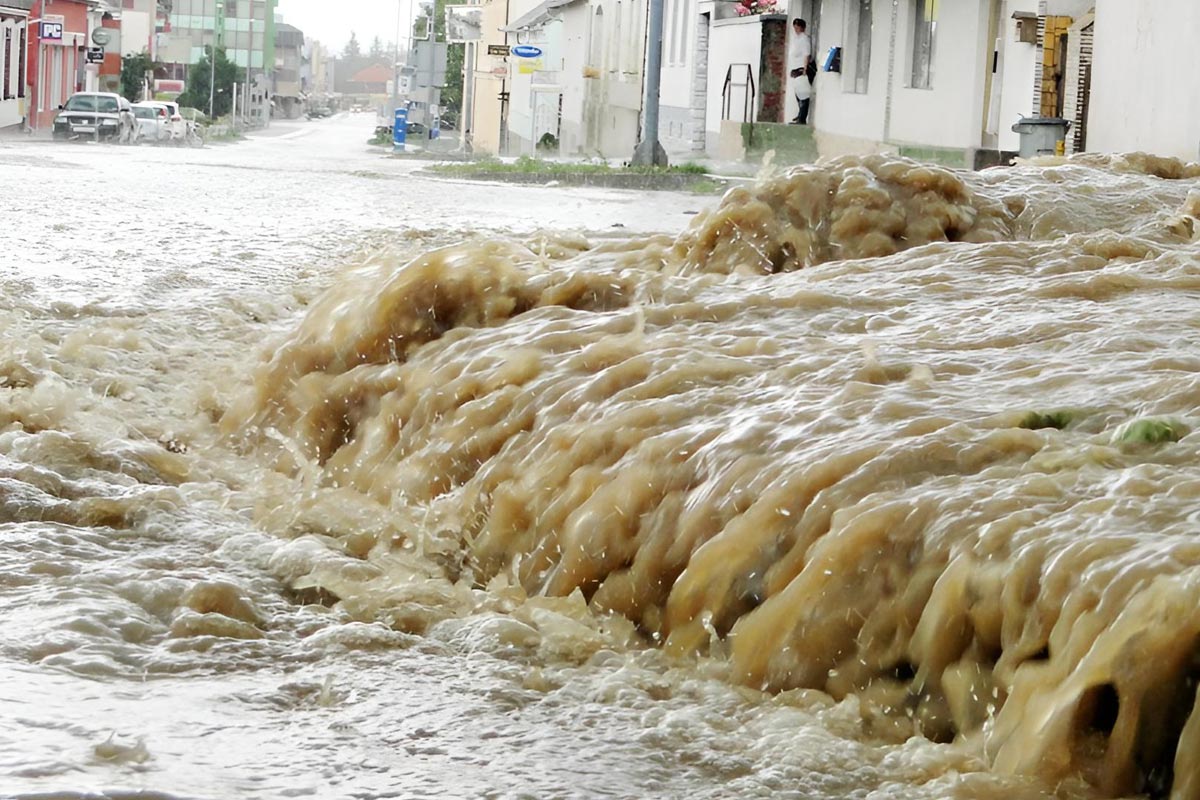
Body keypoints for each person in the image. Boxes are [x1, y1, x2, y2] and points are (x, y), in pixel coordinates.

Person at [788, 18, 814, 125]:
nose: (796, 29)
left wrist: (805, 68)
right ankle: (800, 114)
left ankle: (802, 117)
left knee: (803, 93)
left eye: (797, 27)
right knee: (798, 92)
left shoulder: (804, 39)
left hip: (801, 68)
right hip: (795, 67)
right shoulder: (796, 39)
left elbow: (806, 53)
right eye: (794, 27)